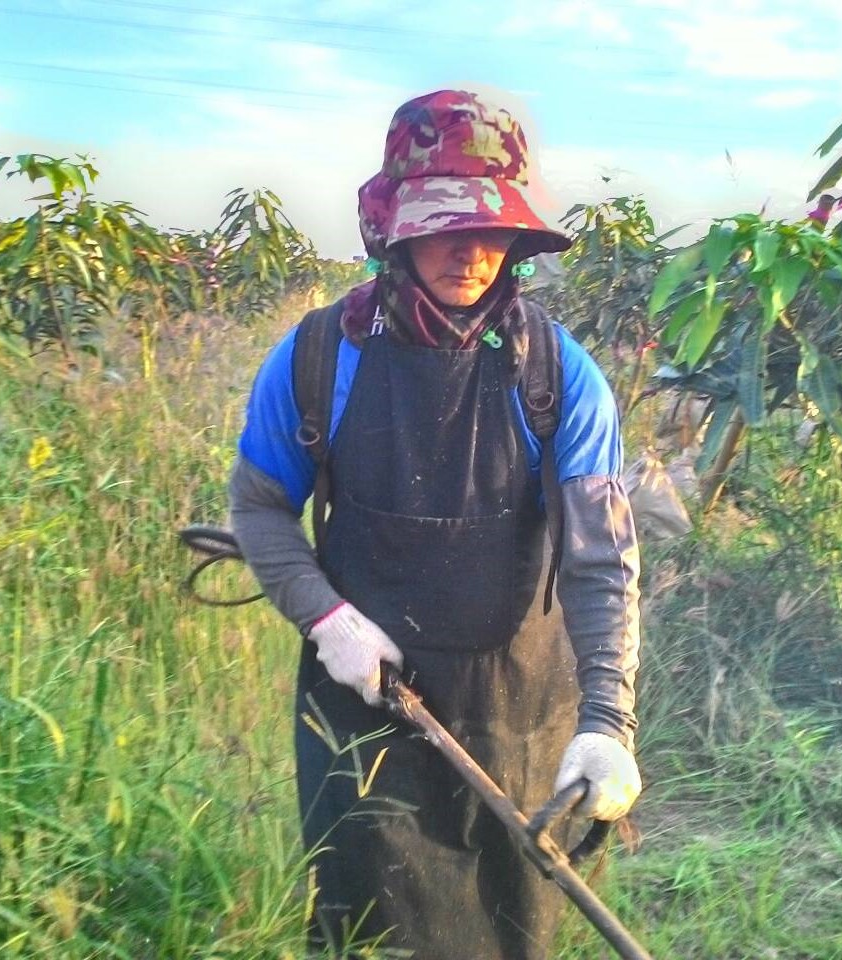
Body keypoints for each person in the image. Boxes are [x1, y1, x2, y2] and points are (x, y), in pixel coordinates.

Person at [229, 89, 642, 959]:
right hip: (363, 706)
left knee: (509, 925)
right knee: (366, 925)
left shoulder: (559, 376)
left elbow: (599, 562)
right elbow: (259, 508)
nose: (470, 249)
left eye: (492, 229)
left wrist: (606, 723)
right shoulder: (314, 359)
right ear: (394, 228)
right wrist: (325, 616)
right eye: (445, 223)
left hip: (517, 707)